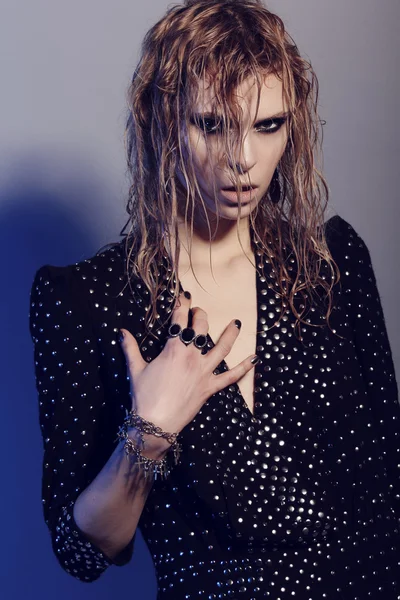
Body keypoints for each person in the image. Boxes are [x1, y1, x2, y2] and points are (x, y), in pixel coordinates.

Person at [29, 0, 400, 598]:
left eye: (268, 125)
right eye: (211, 124)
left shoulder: (332, 262)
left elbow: (389, 476)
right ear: (160, 118)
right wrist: (149, 431)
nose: (243, 159)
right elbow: (84, 549)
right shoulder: (85, 299)